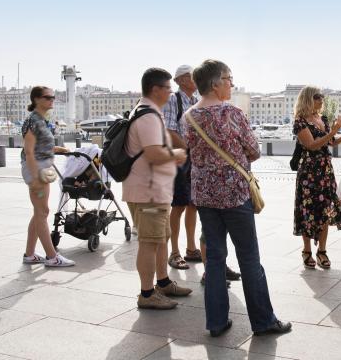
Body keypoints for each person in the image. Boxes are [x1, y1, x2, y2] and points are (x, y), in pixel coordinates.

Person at [184, 59, 291, 337]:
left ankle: (216, 322)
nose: (231, 83)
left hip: (205, 195)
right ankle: (264, 321)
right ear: (216, 83)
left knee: (216, 258)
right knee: (249, 257)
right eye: (229, 78)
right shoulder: (231, 112)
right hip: (234, 194)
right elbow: (253, 150)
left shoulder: (190, 116)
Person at [124, 68, 192, 310]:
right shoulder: (149, 117)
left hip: (154, 191)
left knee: (161, 239)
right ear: (156, 89)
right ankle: (146, 293)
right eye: (168, 88)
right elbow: (153, 154)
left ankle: (162, 282)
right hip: (148, 193)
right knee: (149, 242)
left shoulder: (149, 113)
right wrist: (177, 154)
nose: (170, 92)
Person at [293, 86, 341, 269]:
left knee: (326, 209)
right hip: (309, 172)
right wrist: (333, 130)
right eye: (317, 97)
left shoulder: (322, 119)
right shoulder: (300, 122)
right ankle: (307, 250)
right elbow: (311, 145)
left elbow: (331, 143)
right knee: (308, 210)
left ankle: (322, 251)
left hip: (325, 170)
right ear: (309, 99)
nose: (321, 100)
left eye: (321, 97)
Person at [21, 86, 75, 267]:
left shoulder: (42, 120)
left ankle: (29, 255)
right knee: (42, 212)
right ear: (36, 99)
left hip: (42, 168)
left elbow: (40, 146)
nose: (52, 100)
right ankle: (52, 257)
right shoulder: (34, 121)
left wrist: (60, 149)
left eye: (53, 97)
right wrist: (35, 177)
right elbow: (29, 152)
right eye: (47, 97)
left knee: (39, 212)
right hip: (37, 170)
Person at [162, 65, 200, 270]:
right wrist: (188, 148)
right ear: (183, 79)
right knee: (178, 205)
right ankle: (174, 252)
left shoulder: (195, 101)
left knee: (193, 203)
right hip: (180, 158)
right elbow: (169, 130)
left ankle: (191, 248)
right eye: (193, 77)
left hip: (192, 158)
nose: (196, 80)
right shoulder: (172, 99)